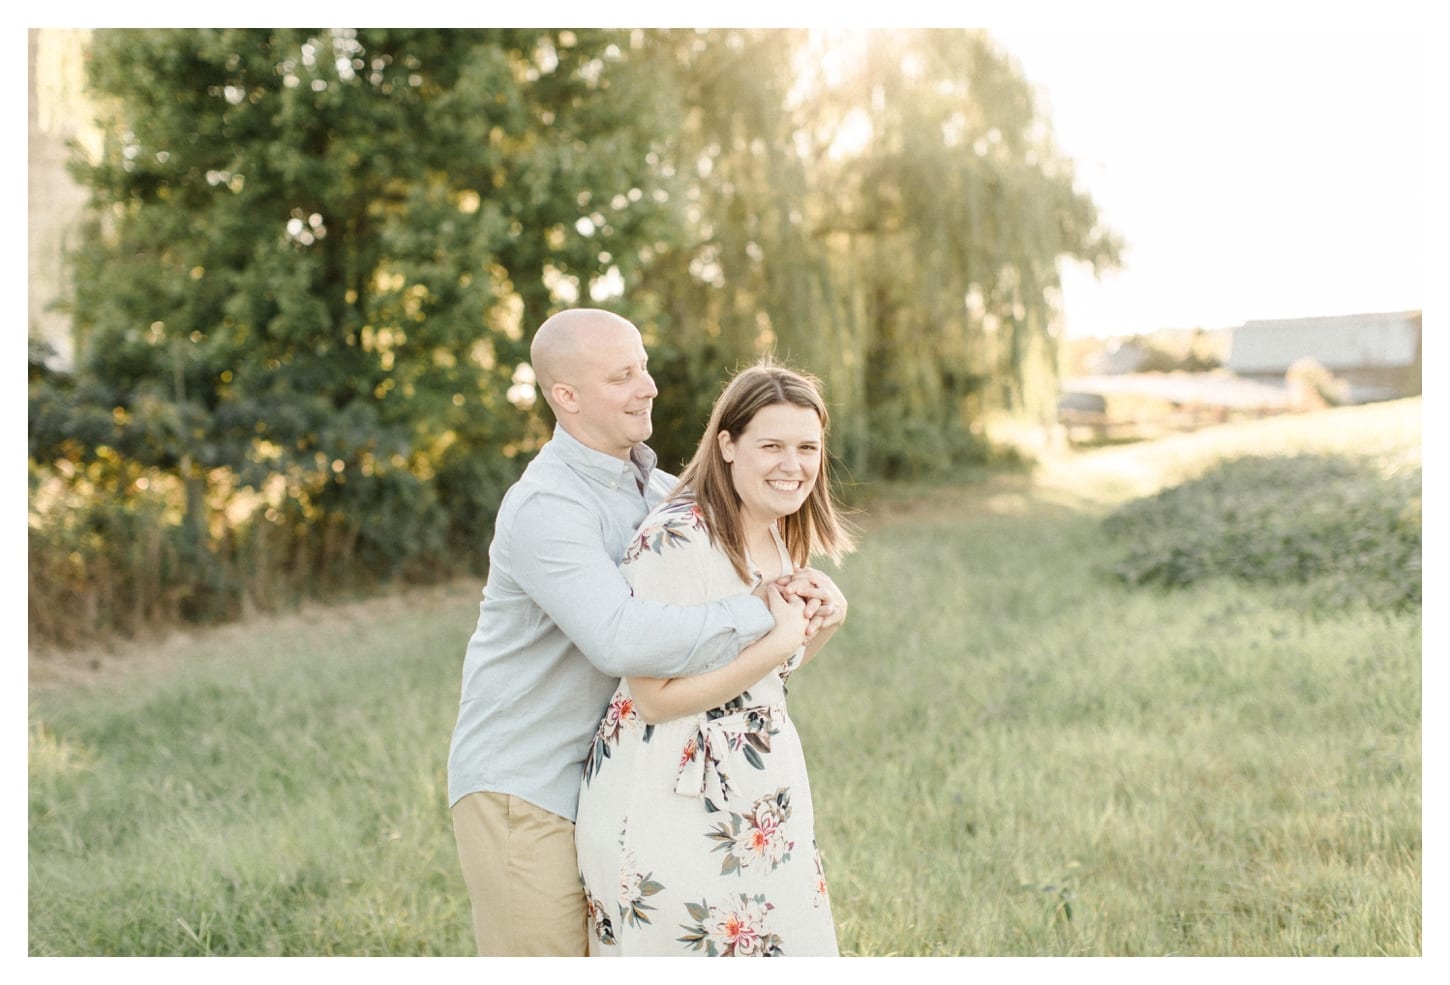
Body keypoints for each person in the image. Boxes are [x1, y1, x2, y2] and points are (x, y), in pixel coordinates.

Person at [445, 309, 824, 957]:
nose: (648, 385)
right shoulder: (547, 506)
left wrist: (807, 602)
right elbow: (619, 638)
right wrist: (762, 611)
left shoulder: (659, 492)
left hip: (614, 785)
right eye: (623, 375)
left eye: (643, 366)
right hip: (528, 785)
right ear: (567, 397)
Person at [575, 361, 856, 957]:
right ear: (726, 444)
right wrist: (781, 642)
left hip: (756, 800)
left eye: (807, 447)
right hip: (670, 798)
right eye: (772, 445)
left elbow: (763, 680)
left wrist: (822, 625)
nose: (793, 464)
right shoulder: (678, 539)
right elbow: (653, 699)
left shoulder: (775, 529)